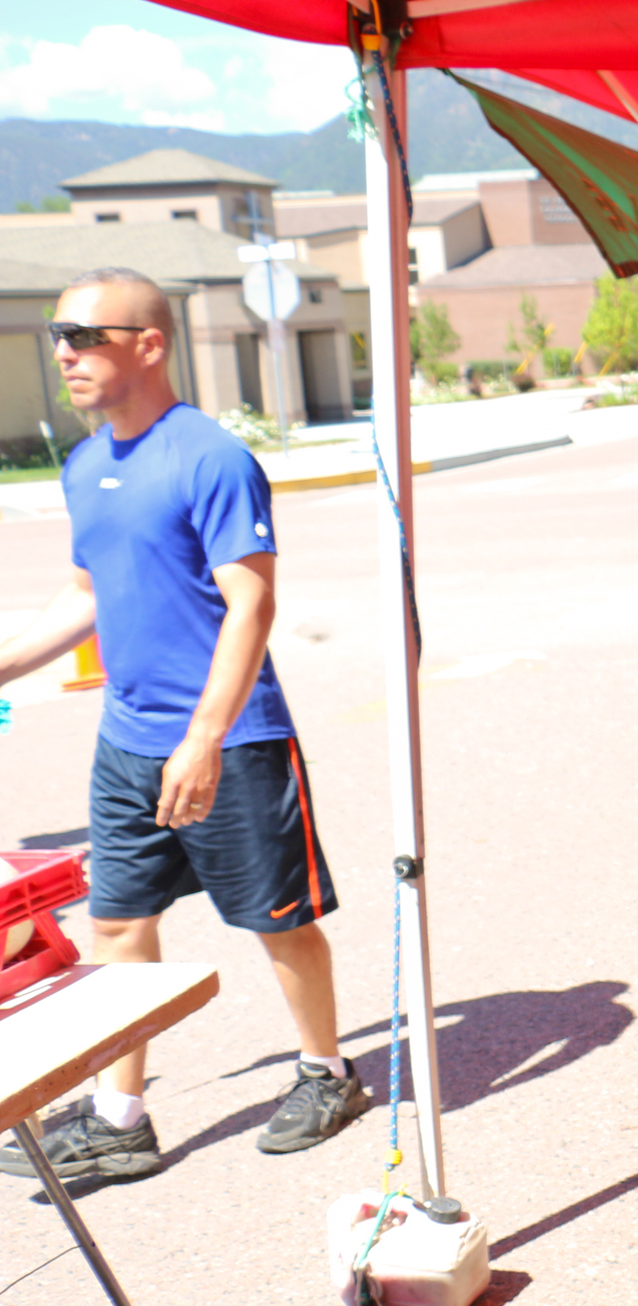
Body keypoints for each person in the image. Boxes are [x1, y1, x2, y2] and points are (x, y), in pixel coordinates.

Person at [0, 267, 367, 1181]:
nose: (65, 354)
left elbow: (251, 605)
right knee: (120, 922)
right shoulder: (86, 464)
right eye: (57, 336)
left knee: (275, 922)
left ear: (149, 344)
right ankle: (122, 1114)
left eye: (85, 335)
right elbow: (85, 595)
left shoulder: (209, 457)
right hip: (126, 742)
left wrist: (204, 736)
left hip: (233, 737)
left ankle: (327, 1070)